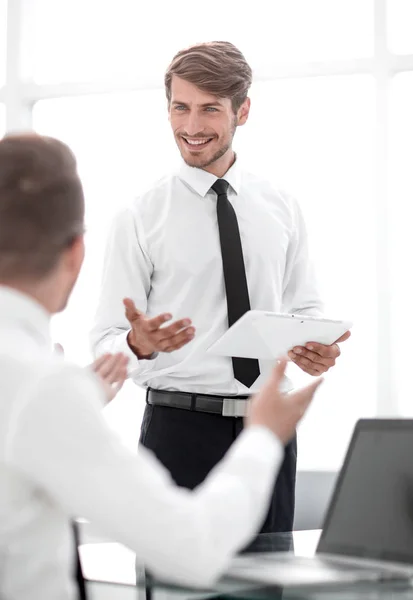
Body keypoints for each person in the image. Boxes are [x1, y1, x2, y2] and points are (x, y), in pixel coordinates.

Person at [0, 133, 322, 599]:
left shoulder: (282, 206)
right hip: (183, 426)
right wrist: (263, 437)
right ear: (76, 253)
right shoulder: (44, 386)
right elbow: (193, 547)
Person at [91, 41, 350, 534]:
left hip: (268, 428)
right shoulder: (140, 216)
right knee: (177, 588)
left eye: (209, 109)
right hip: (177, 431)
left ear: (243, 110)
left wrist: (315, 347)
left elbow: (306, 306)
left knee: (265, 586)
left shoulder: (282, 207)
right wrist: (135, 343)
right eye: (180, 108)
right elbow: (105, 339)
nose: (191, 127)